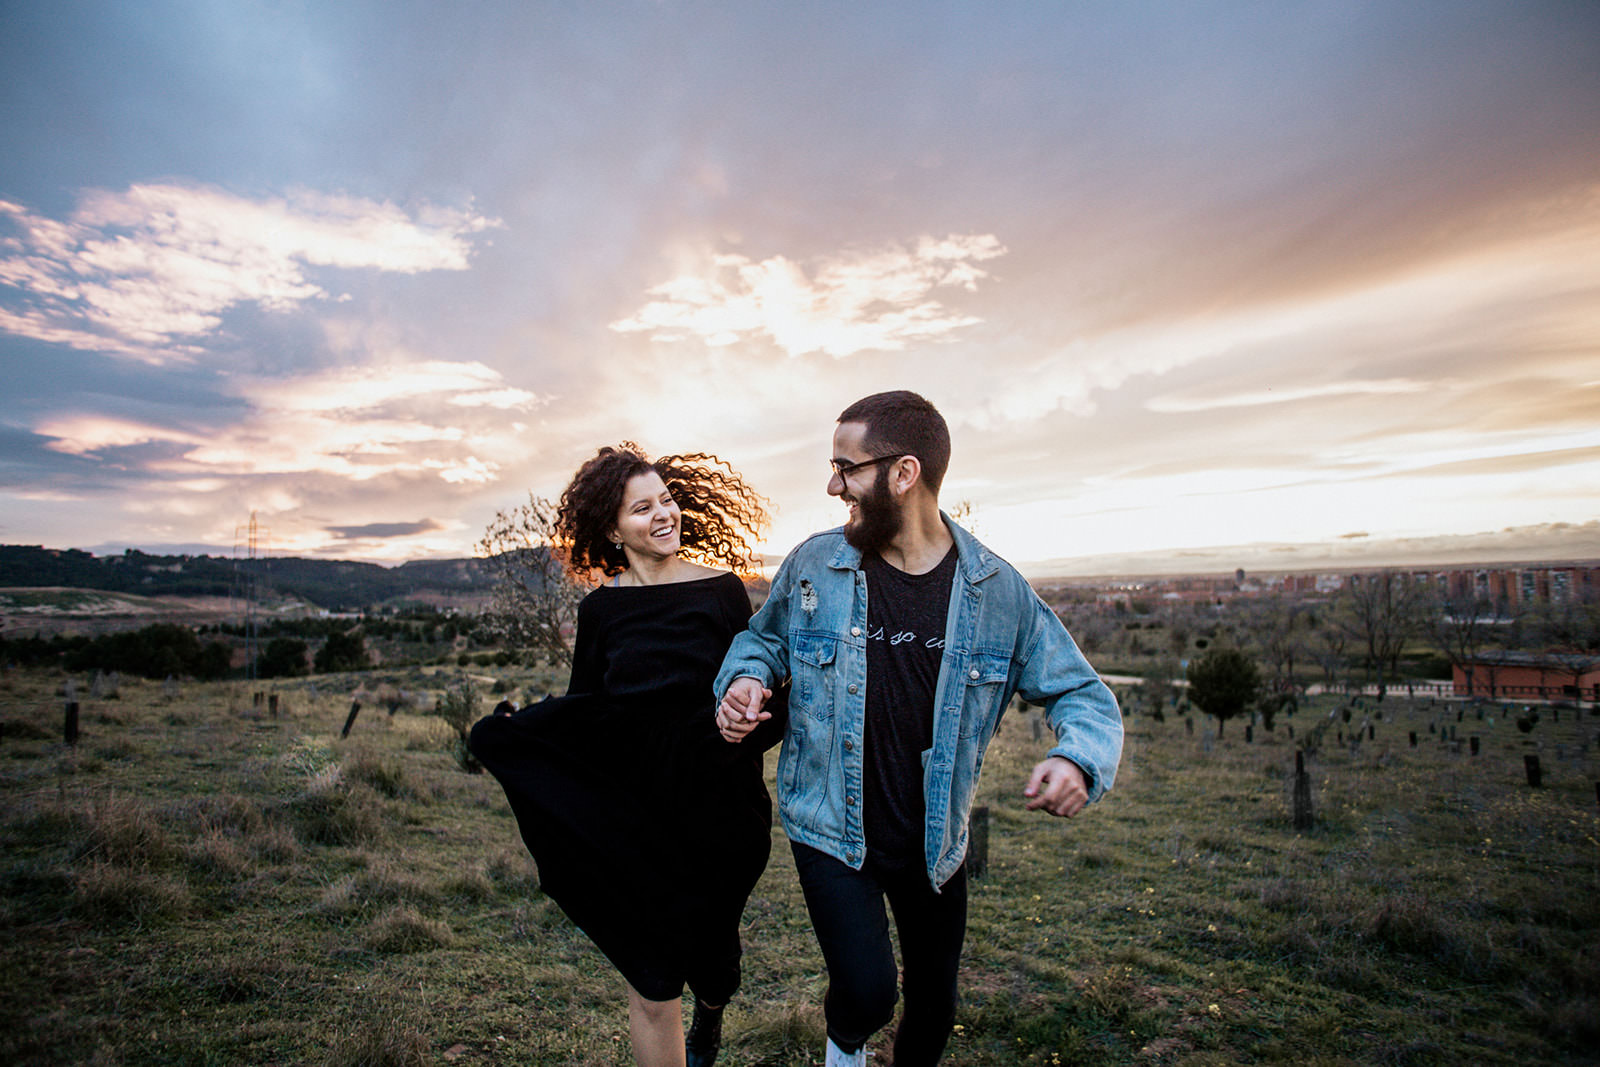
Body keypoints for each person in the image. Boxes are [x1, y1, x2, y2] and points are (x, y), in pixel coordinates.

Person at [714, 391, 1123, 1067]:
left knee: (934, 1007)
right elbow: (762, 642)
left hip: (934, 837)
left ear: (904, 473)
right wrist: (745, 680)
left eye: (847, 467)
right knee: (869, 993)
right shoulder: (817, 565)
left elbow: (1081, 690)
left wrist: (1077, 758)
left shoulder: (998, 592)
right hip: (828, 824)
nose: (832, 483)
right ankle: (844, 1049)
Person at [470, 444, 784, 1067]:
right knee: (655, 980)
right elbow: (589, 712)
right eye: (643, 508)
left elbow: (763, 694)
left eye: (666, 499)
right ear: (613, 530)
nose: (664, 514)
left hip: (723, 811)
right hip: (639, 817)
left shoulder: (721, 593)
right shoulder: (601, 609)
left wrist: (743, 724)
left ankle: (713, 1010)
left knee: (714, 963)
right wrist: (515, 735)